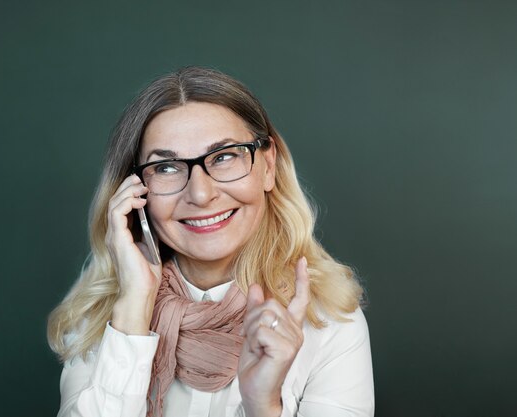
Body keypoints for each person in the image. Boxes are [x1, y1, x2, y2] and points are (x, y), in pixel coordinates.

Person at [47, 66, 374, 417]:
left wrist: (263, 406)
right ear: (136, 191)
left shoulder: (329, 322)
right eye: (168, 167)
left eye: (224, 157)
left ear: (267, 166)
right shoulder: (99, 315)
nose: (201, 194)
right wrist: (134, 307)